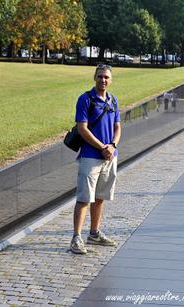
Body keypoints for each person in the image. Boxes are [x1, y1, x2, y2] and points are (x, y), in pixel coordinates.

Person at [70, 64, 121, 254]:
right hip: (91, 156)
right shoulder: (85, 99)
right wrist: (102, 147)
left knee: (100, 198)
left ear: (111, 79)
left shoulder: (114, 101)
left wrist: (112, 146)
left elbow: (118, 127)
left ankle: (94, 233)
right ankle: (76, 237)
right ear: (94, 78)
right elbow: (82, 129)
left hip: (110, 156)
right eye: (100, 76)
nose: (103, 80)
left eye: (106, 77)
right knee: (84, 198)